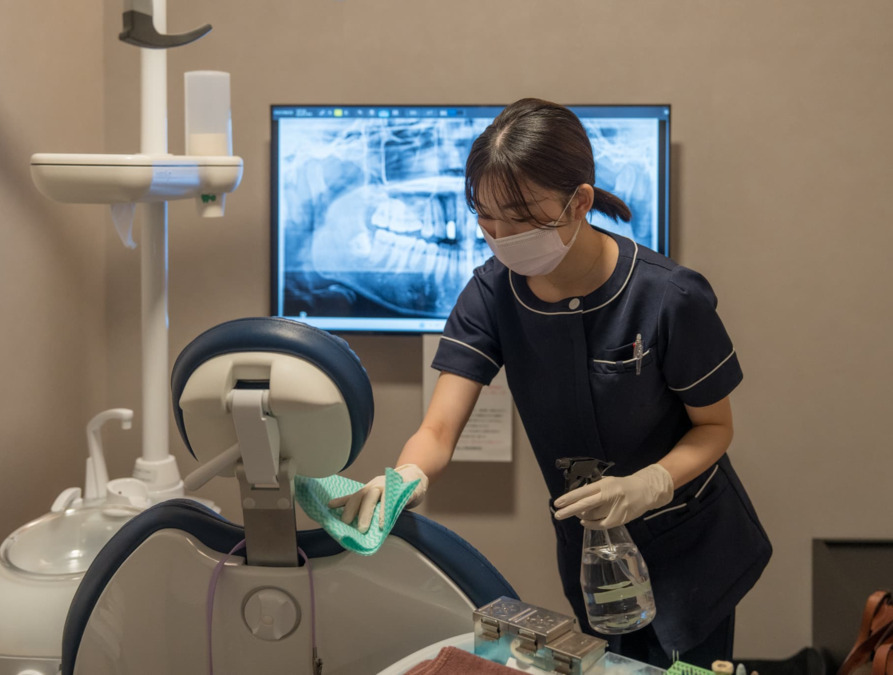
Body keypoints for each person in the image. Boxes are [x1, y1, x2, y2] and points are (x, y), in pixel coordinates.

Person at [329, 98, 771, 668]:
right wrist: (405, 476)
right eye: (485, 216)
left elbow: (715, 429)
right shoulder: (491, 295)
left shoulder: (667, 298)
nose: (500, 234)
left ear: (579, 201)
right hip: (591, 550)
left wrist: (651, 484)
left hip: (690, 543)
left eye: (519, 216)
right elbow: (438, 428)